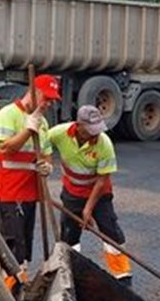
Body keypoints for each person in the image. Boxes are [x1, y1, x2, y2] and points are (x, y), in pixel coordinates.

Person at [48, 105, 131, 284]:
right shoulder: (59, 134)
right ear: (78, 125)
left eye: (98, 130)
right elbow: (42, 145)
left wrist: (88, 209)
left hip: (99, 194)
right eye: (91, 130)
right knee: (69, 235)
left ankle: (122, 276)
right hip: (71, 193)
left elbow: (102, 180)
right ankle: (70, 274)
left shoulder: (104, 144)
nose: (95, 135)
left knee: (110, 232)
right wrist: (43, 163)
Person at [0, 74, 59, 284]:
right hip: (9, 194)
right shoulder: (7, 115)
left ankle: (20, 288)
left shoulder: (43, 123)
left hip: (30, 193)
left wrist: (47, 166)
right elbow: (6, 148)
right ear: (33, 92)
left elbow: (47, 152)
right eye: (46, 98)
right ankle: (7, 298)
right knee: (12, 248)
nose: (48, 103)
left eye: (52, 100)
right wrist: (29, 130)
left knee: (24, 247)